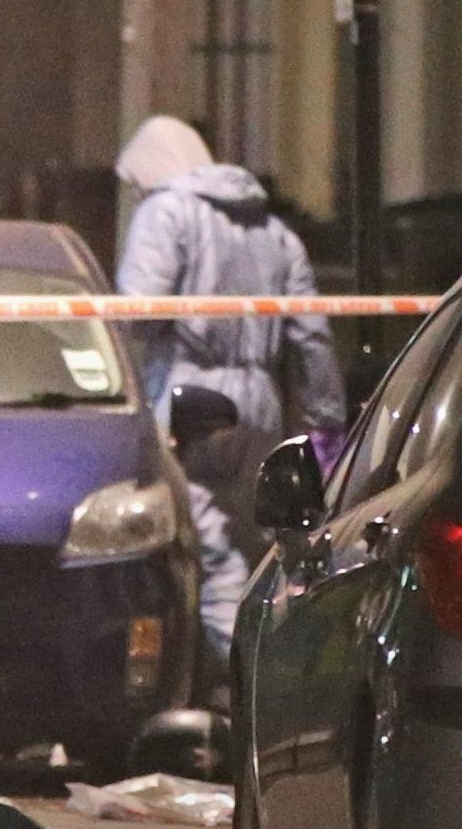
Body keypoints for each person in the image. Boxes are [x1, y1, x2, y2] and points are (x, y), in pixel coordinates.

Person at [116, 115, 348, 658]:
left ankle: (245, 679)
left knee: (209, 552)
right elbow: (313, 336)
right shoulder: (274, 231)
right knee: (254, 546)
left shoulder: (166, 213)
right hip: (260, 409)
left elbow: (136, 313)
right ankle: (279, 658)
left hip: (189, 402)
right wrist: (327, 423)